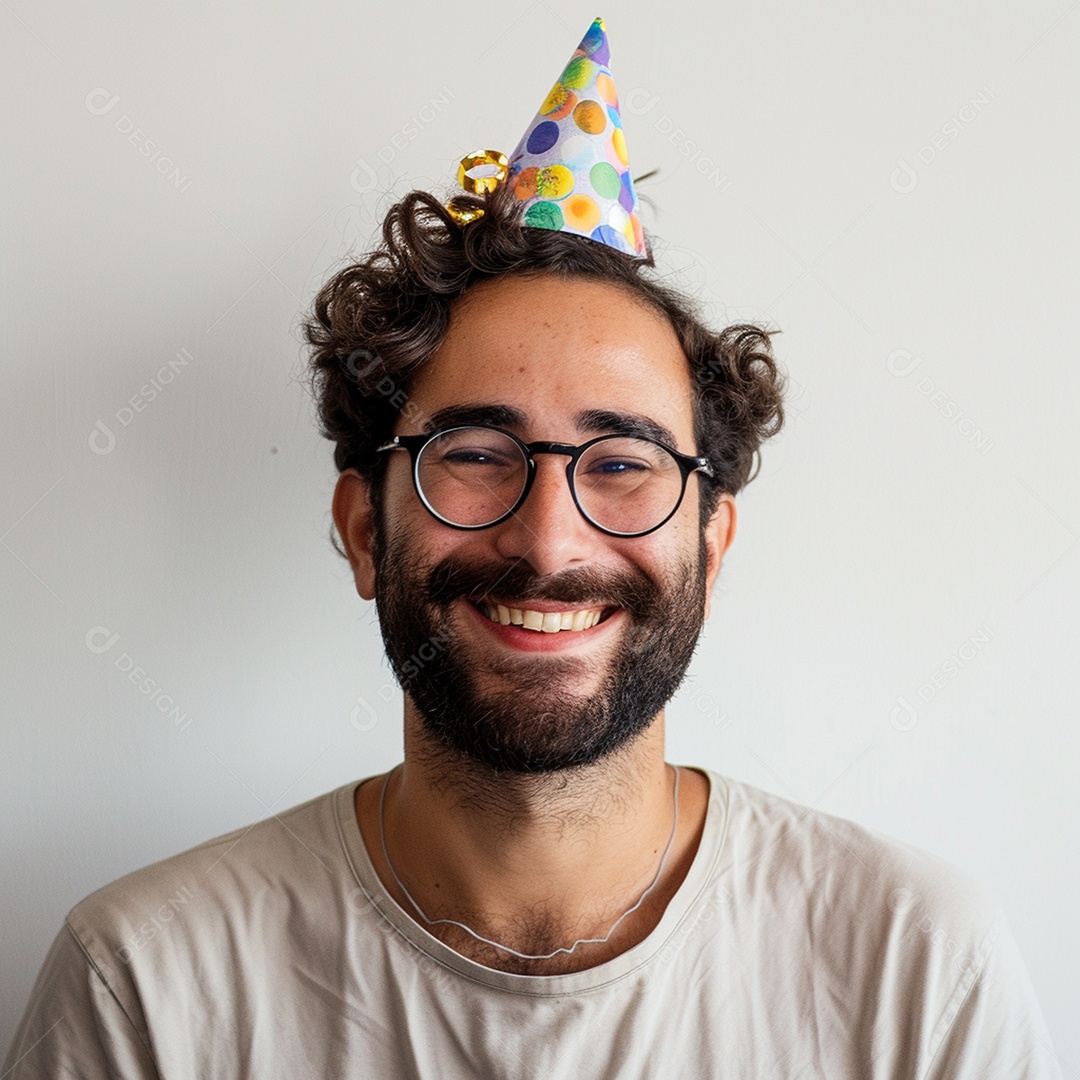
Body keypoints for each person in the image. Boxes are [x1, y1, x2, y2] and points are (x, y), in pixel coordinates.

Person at [5, 18, 1063, 1079]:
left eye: (621, 462)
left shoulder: (917, 972)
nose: (549, 539)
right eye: (475, 452)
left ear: (713, 539)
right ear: (366, 528)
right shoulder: (144, 985)